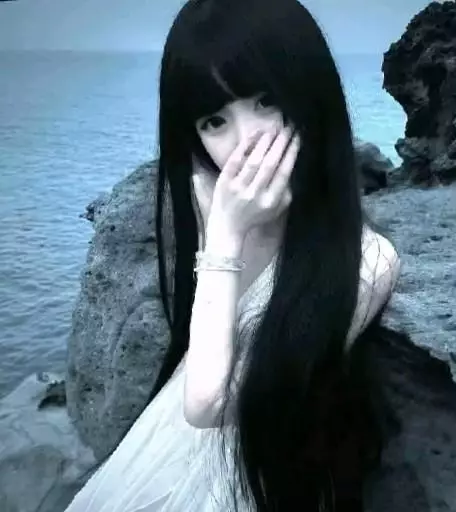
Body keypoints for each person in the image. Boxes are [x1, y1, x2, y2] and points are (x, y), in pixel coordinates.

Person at [64, 0, 402, 510]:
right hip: (163, 443)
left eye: (266, 100)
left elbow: (210, 405)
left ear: (310, 90)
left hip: (237, 473)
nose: (247, 142)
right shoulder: (209, 195)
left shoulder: (368, 260)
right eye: (215, 121)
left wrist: (222, 236)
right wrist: (222, 228)